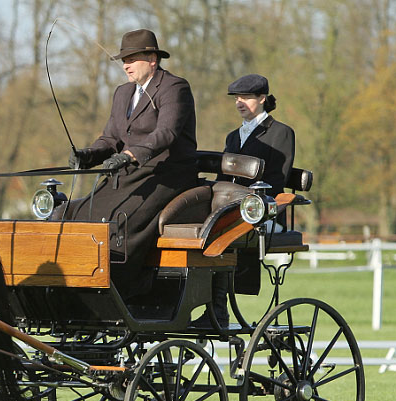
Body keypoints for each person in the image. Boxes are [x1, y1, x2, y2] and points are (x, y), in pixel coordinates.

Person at [64, 28, 197, 297]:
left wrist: (129, 155)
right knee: (73, 214)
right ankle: (73, 286)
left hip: (166, 176)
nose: (125, 65)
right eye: (123, 60)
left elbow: (166, 133)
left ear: (152, 59)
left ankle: (125, 290)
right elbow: (111, 138)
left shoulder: (174, 87)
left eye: (132, 58)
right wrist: (88, 155)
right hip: (127, 176)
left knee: (119, 222)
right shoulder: (123, 93)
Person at [195, 74, 296, 328]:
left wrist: (244, 202)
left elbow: (276, 179)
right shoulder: (232, 137)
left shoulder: (281, 133)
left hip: (262, 212)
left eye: (246, 98)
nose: (240, 103)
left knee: (220, 235)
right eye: (237, 98)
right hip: (230, 211)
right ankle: (211, 307)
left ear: (262, 98)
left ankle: (217, 311)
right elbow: (222, 179)